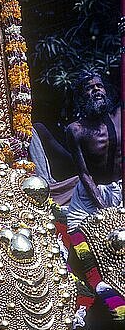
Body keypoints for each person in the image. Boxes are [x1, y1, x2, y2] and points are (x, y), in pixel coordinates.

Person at [66, 71, 122, 229]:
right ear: (82, 97)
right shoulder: (76, 130)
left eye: (100, 86)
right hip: (90, 196)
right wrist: (105, 211)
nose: (96, 90)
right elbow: (84, 174)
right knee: (79, 242)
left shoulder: (120, 117)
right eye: (90, 88)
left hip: (120, 190)